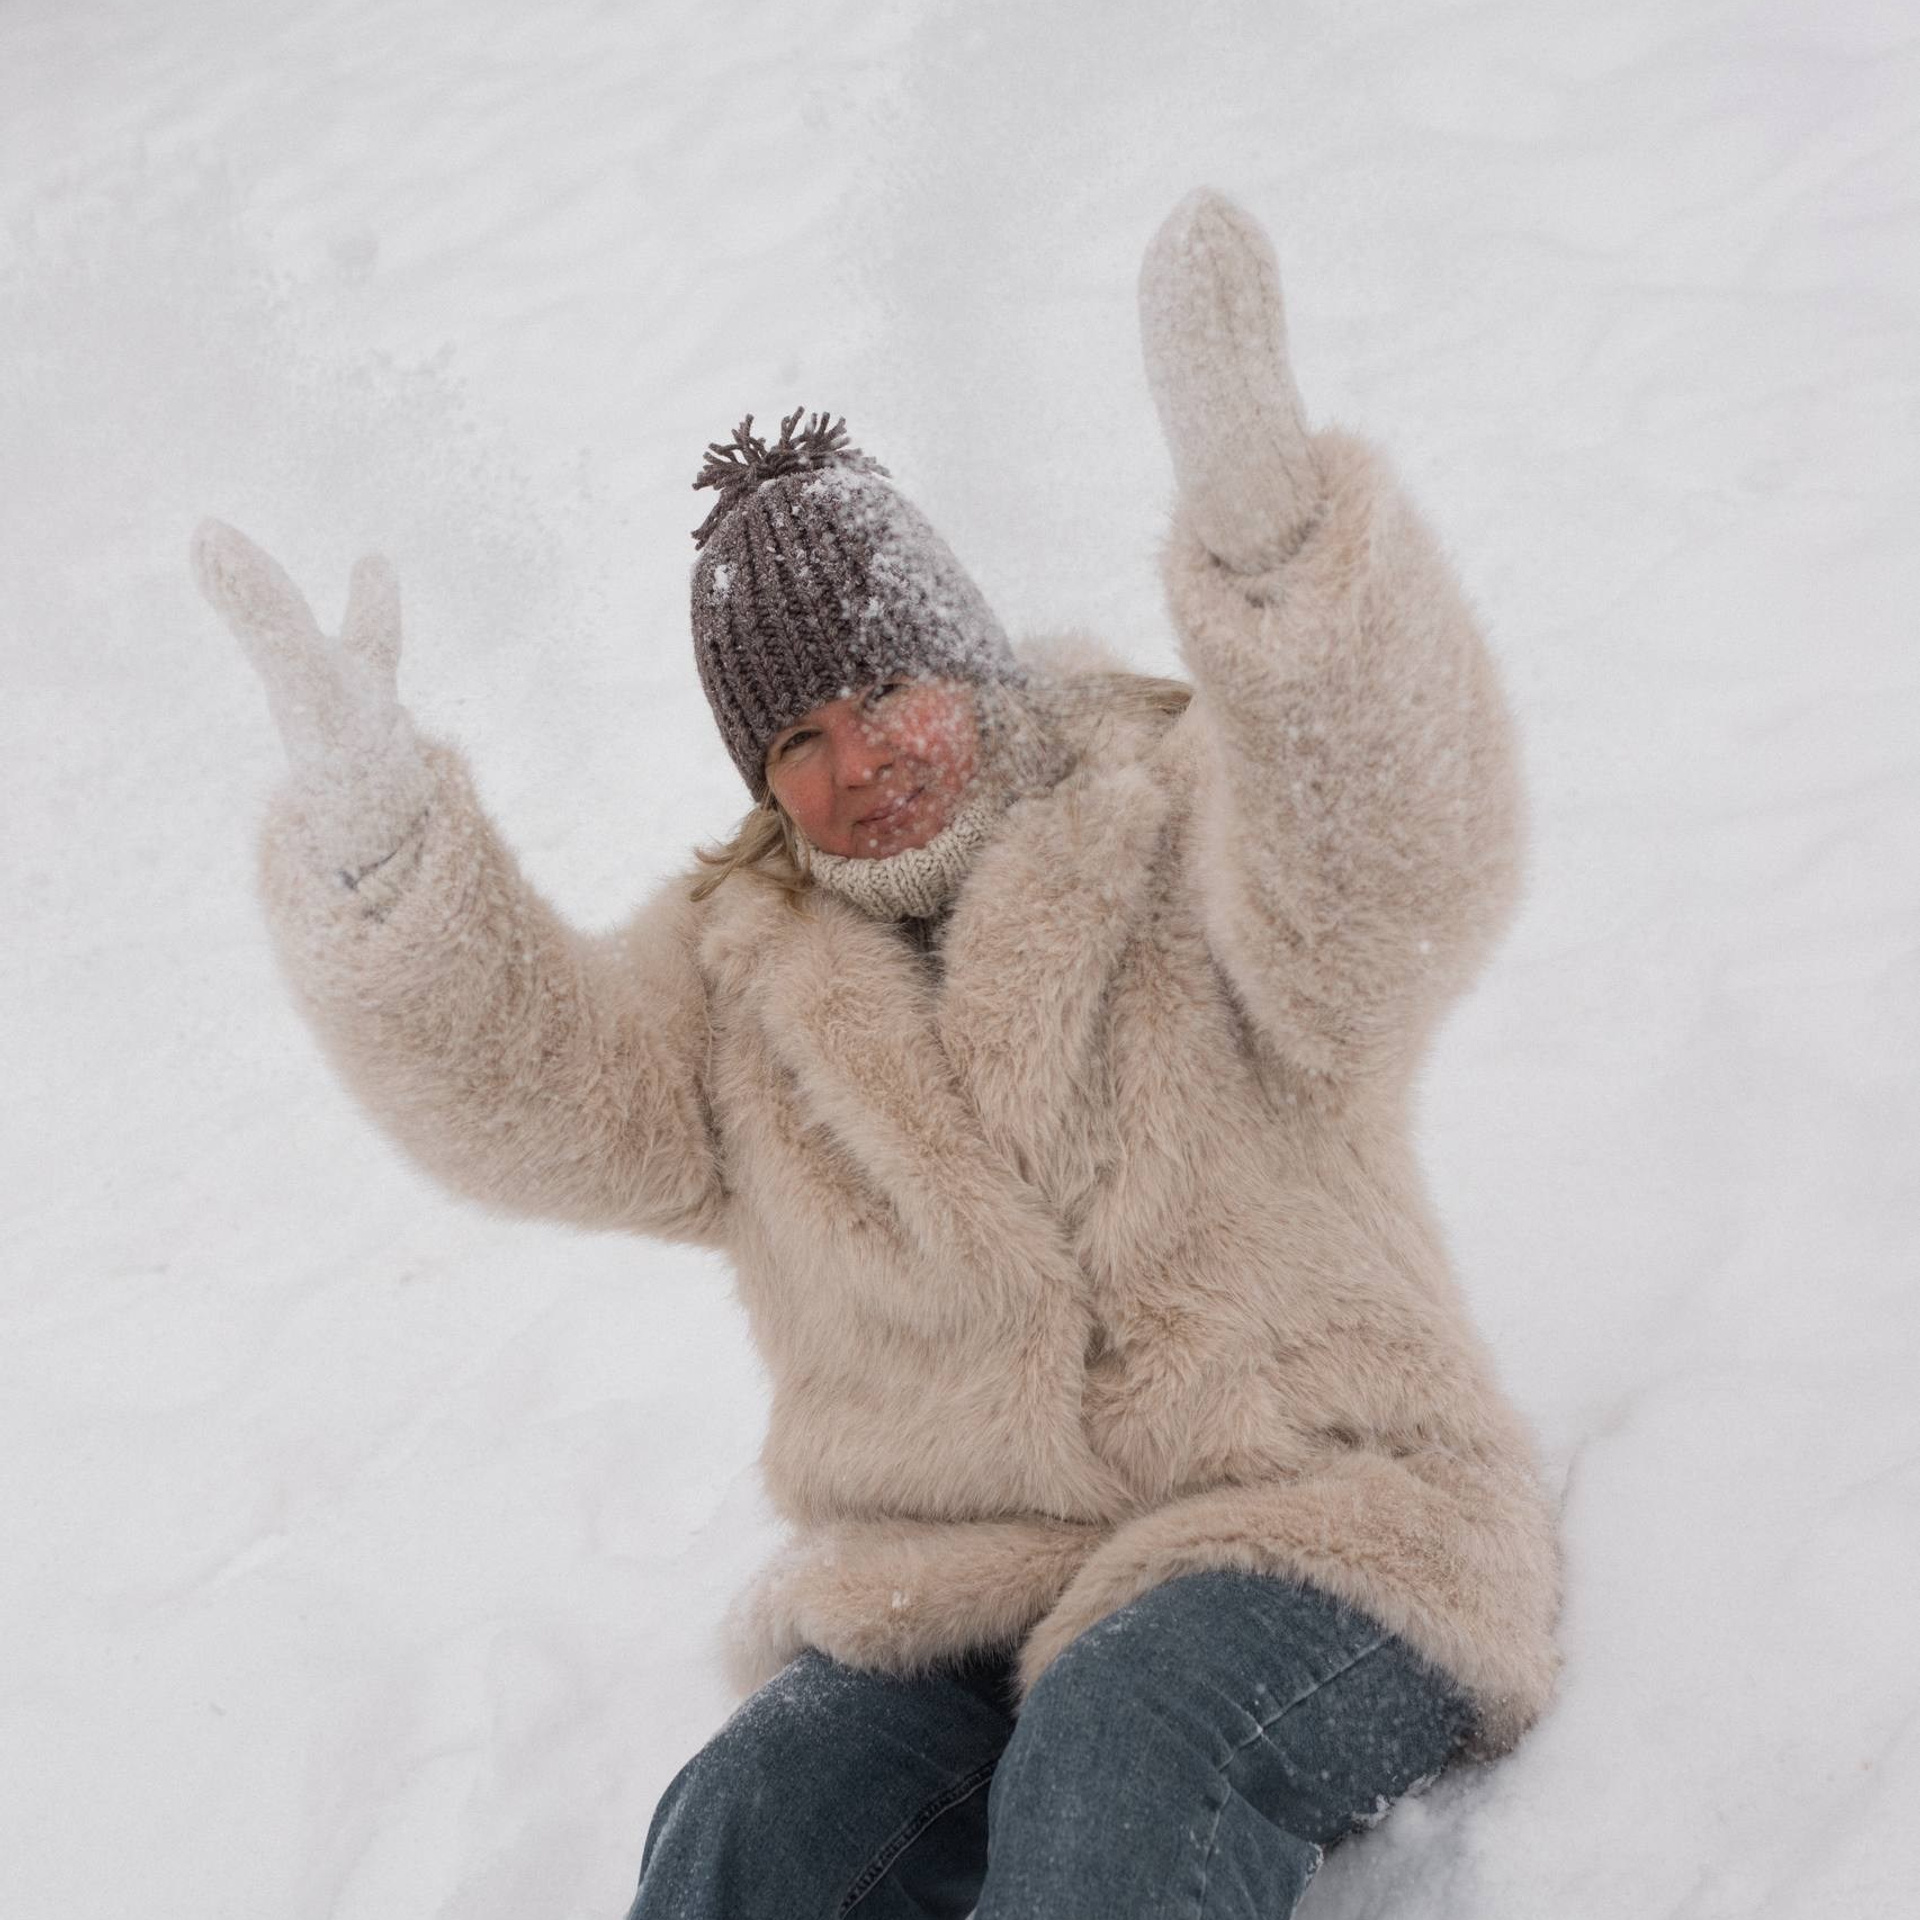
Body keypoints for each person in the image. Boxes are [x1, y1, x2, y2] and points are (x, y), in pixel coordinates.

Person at [192, 188, 1560, 1919]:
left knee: (1129, 1736)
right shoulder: (735, 996)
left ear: (969, 657)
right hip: (962, 1588)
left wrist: (1287, 562)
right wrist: (383, 848)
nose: (865, 762)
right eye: (799, 736)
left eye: (889, 691)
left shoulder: (1194, 819)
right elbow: (529, 1084)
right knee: (750, 1817)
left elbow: (1397, 867)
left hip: (1320, 1524)